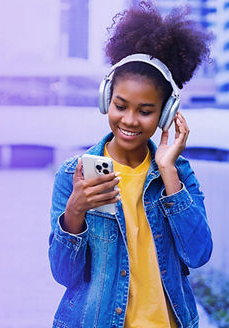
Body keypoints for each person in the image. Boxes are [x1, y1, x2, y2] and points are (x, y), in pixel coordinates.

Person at [49, 2, 213, 327]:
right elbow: (64, 275)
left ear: (166, 114)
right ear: (106, 99)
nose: (129, 120)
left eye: (146, 110)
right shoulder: (73, 174)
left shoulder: (179, 174)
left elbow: (198, 254)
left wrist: (169, 172)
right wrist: (75, 210)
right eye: (120, 105)